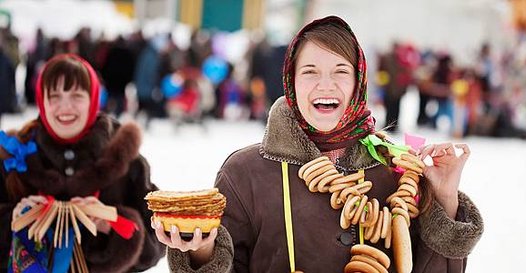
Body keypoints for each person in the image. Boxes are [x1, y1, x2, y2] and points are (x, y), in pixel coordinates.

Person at [153, 16, 483, 272]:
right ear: (291, 83)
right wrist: (199, 251)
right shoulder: (244, 173)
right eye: (310, 71)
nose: (325, 85)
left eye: (341, 71)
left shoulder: (397, 172)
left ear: (359, 83)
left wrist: (444, 197)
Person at [0, 54, 165, 272]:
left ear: (93, 99)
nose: (65, 107)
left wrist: (113, 223)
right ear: (42, 100)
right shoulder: (14, 156)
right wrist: (15, 218)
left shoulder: (126, 160)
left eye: (76, 95)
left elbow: (157, 243)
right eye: (55, 96)